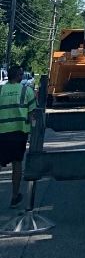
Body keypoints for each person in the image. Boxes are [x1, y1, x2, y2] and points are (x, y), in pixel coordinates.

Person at [0, 63, 38, 207]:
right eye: (21, 75)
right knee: (17, 164)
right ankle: (14, 196)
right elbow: (31, 114)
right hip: (18, 133)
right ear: (18, 76)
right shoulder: (26, 91)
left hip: (1, 133)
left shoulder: (1, 90)